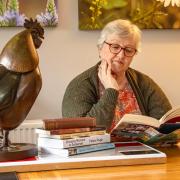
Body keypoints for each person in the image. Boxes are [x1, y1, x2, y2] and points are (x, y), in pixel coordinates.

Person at [62, 19, 172, 133]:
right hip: (99, 151)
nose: (121, 55)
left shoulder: (144, 83)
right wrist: (111, 90)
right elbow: (83, 133)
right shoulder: (79, 86)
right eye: (115, 47)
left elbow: (166, 124)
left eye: (128, 50)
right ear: (100, 48)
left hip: (143, 149)